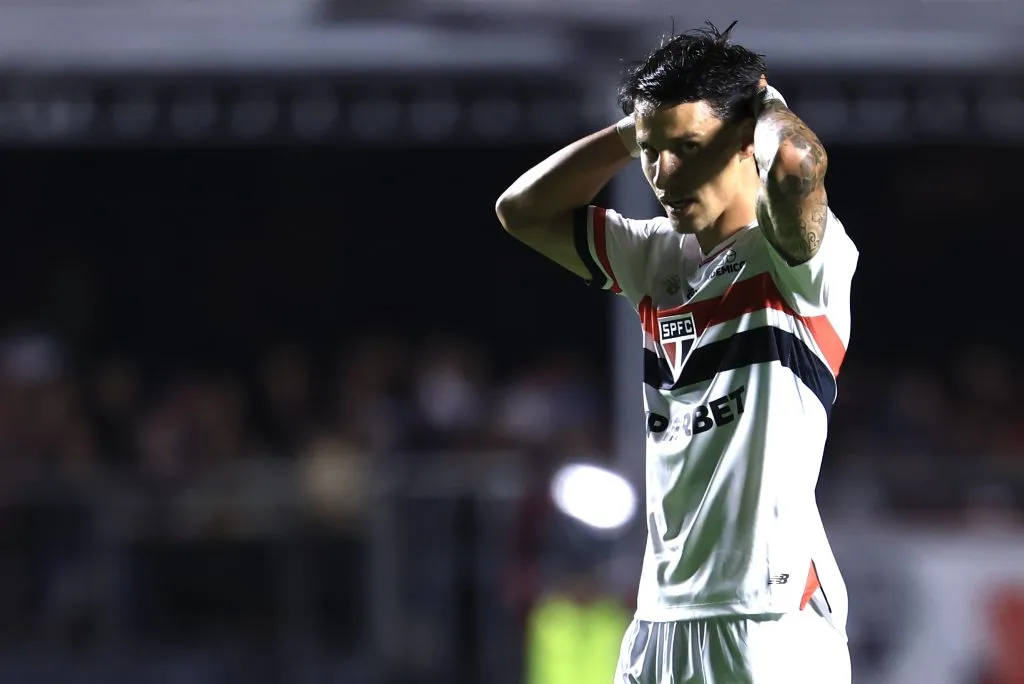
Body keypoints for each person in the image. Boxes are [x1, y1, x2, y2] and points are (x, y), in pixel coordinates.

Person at [494, 21, 858, 684]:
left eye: (686, 148)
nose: (663, 175)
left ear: (745, 138)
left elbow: (796, 166)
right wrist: (635, 130)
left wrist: (767, 104)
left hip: (767, 620)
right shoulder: (655, 257)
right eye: (651, 153)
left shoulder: (800, 262)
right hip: (658, 619)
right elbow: (521, 210)